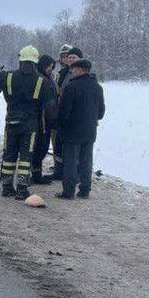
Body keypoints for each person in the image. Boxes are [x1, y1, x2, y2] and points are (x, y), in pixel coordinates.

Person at [0, 46, 53, 198]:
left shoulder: (7, 76)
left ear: (20, 59)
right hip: (30, 124)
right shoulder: (42, 81)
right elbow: (48, 104)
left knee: (9, 154)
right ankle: (22, 187)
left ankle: (6, 186)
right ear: (35, 61)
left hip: (11, 122)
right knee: (26, 156)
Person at [56, 58, 105, 199]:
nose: (71, 71)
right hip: (90, 131)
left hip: (72, 131)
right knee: (86, 161)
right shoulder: (97, 87)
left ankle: (68, 191)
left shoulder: (72, 87)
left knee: (70, 162)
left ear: (81, 70)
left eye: (74, 69)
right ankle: (85, 190)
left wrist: (60, 125)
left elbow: (64, 112)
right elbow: (101, 113)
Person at [52, 46, 82, 179]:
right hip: (61, 113)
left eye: (73, 57)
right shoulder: (62, 73)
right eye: (68, 57)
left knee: (74, 147)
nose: (70, 59)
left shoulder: (84, 73)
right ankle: (59, 170)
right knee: (58, 144)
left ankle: (75, 173)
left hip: (76, 115)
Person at [29, 54, 60, 183]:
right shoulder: (39, 78)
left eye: (52, 67)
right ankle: (35, 174)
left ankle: (36, 173)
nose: (50, 69)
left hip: (48, 118)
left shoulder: (48, 78)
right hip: (41, 119)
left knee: (43, 147)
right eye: (49, 67)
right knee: (39, 147)